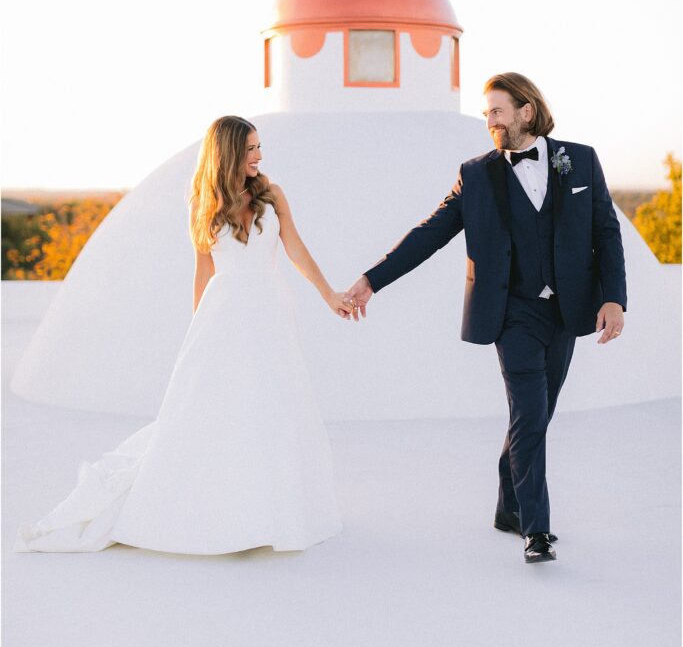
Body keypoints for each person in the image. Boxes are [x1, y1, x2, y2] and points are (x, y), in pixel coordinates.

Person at [16, 116, 351, 555]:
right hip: (222, 317)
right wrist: (199, 334)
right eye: (251, 148)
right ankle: (218, 510)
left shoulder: (273, 195)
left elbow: (296, 249)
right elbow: (204, 271)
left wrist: (329, 294)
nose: (259, 155)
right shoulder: (202, 205)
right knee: (216, 409)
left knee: (271, 405)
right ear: (229, 152)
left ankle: (272, 511)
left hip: (268, 315)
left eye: (259, 147)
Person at [344, 73, 627, 564]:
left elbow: (606, 232)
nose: (489, 122)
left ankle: (508, 508)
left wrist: (614, 299)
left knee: (532, 417)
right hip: (511, 313)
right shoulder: (476, 175)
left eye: (497, 111)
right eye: (486, 114)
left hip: (566, 310)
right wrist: (372, 279)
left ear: (526, 112)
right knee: (532, 415)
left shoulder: (579, 160)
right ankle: (536, 531)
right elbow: (429, 233)